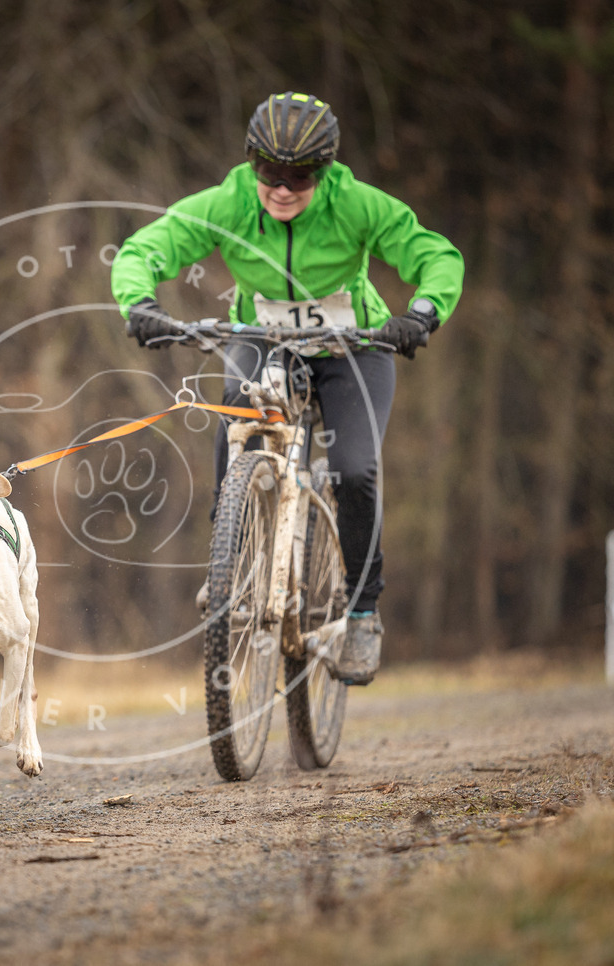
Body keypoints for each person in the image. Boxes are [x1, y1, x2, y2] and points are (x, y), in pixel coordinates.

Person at [110, 91, 463, 685]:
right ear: (251, 164)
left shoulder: (356, 204)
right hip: (263, 337)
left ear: (323, 172)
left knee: (353, 468)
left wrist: (422, 313)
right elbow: (148, 247)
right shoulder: (228, 201)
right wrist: (139, 302)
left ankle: (363, 610)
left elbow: (436, 255)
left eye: (297, 176)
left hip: (356, 344)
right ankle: (232, 557)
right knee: (238, 420)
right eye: (268, 172)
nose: (280, 188)